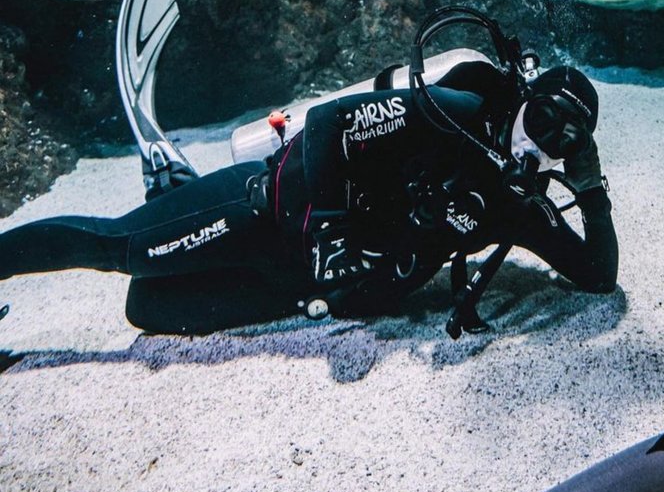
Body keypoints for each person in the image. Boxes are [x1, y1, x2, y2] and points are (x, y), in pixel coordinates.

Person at [0, 58, 617, 335]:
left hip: (302, 289)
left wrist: (590, 190)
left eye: (564, 142)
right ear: (522, 99)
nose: (541, 144)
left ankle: (175, 189)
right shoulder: (449, 112)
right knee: (121, 249)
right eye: (541, 120)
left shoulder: (516, 203)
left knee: (149, 310)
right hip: (266, 212)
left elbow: (596, 274)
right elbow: (325, 125)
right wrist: (328, 228)